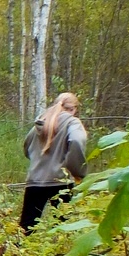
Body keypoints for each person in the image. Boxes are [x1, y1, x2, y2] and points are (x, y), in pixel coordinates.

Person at [20, 92, 87, 232]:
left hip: (35, 181)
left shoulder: (41, 122)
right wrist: (77, 170)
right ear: (73, 108)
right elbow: (76, 140)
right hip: (61, 181)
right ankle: (59, 254)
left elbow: (27, 147)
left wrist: (38, 162)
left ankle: (18, 254)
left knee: (26, 229)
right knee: (64, 228)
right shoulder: (72, 122)